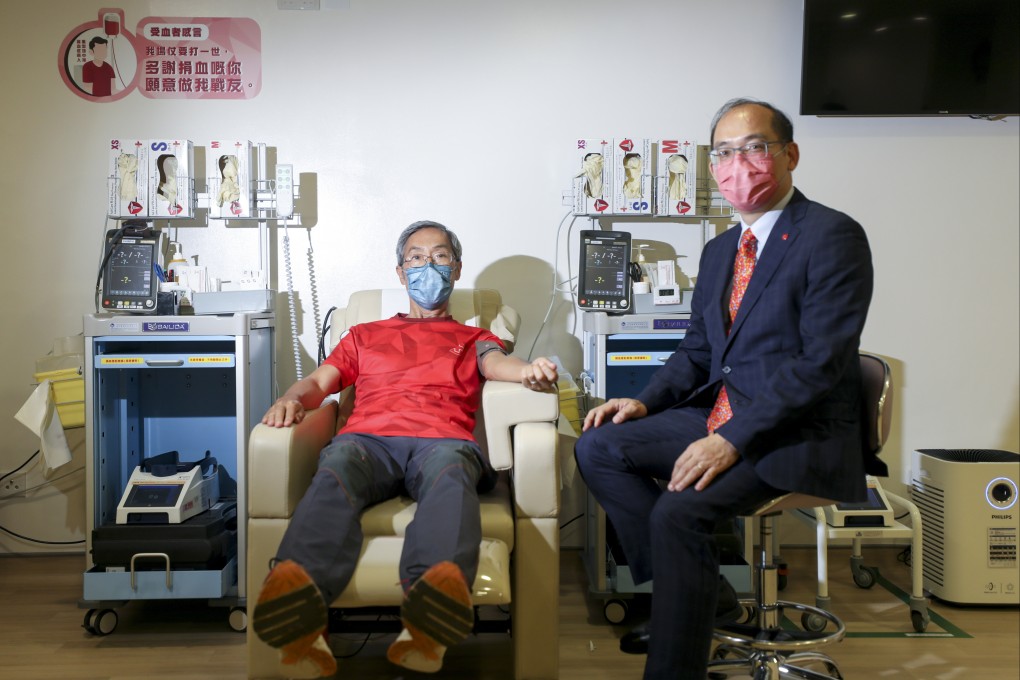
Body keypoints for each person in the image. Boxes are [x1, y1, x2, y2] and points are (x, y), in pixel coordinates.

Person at [574, 97, 875, 680]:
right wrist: (644, 401)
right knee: (598, 446)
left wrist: (731, 439)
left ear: (789, 154)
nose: (741, 164)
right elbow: (697, 352)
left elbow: (820, 363)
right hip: (726, 415)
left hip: (796, 431)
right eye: (726, 153)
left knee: (677, 515)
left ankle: (675, 657)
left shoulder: (833, 236)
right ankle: (705, 598)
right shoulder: (718, 252)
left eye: (755, 147)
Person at [251, 220, 559, 677]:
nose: (427, 266)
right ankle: (299, 609)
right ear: (400, 272)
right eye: (416, 257)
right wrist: (291, 400)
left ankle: (428, 618)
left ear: (455, 269)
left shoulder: (473, 339)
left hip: (443, 444)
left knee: (453, 478)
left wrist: (531, 371)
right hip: (367, 442)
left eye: (439, 256)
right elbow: (320, 382)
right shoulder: (364, 335)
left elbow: (499, 366)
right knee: (335, 463)